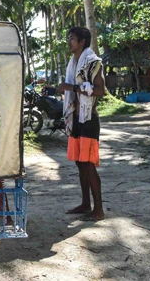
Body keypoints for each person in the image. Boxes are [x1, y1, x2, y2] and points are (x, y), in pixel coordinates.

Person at [44, 27, 106, 221]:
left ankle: (99, 210)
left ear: (82, 42)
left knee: (88, 164)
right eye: (68, 38)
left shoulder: (93, 63)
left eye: (72, 38)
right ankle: (86, 203)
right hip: (76, 119)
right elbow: (73, 90)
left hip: (89, 119)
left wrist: (72, 87)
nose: (68, 42)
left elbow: (100, 91)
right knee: (80, 163)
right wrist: (58, 89)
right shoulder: (74, 63)